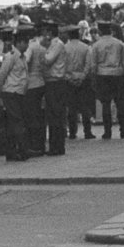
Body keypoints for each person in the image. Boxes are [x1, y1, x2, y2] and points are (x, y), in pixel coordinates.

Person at [0, 26, 30, 161]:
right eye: (25, 43)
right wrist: (0, 93)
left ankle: (11, 151)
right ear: (19, 43)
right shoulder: (11, 56)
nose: (27, 46)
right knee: (17, 122)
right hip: (11, 93)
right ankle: (22, 150)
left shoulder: (21, 57)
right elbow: (1, 76)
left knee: (12, 124)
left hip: (18, 94)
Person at [89, 21, 124, 139]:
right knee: (120, 103)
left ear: (100, 31)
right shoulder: (119, 43)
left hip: (102, 74)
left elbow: (93, 64)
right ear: (111, 30)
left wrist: (94, 78)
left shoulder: (96, 45)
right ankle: (123, 130)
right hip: (117, 74)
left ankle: (107, 131)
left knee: (105, 103)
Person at [40, 20, 68, 155]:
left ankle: (58, 146)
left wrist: (41, 51)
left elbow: (48, 60)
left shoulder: (57, 45)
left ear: (50, 33)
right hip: (50, 82)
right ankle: (54, 145)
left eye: (45, 32)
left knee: (56, 115)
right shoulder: (52, 44)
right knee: (52, 115)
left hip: (56, 82)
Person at [63, 25, 95, 139]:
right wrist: (82, 77)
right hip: (83, 80)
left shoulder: (64, 48)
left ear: (68, 35)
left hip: (69, 80)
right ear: (79, 34)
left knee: (71, 107)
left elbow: (63, 66)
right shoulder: (86, 47)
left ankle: (72, 132)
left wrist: (69, 78)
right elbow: (88, 65)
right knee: (85, 106)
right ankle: (88, 131)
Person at [24, 19, 48, 155]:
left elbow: (26, 61)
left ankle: (33, 144)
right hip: (41, 82)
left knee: (31, 115)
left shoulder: (30, 47)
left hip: (31, 84)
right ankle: (41, 143)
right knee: (40, 115)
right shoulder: (41, 47)